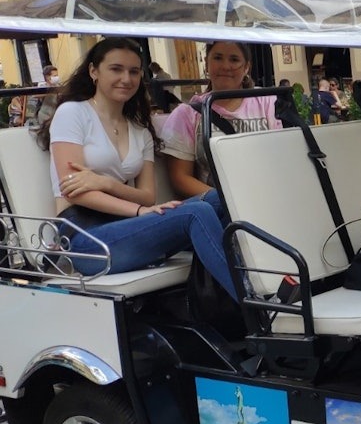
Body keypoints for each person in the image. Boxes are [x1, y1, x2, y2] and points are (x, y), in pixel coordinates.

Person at [39, 37, 236, 299]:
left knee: (221, 198)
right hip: (85, 240)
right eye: (116, 69)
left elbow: (147, 195)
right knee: (195, 212)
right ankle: (258, 309)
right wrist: (141, 211)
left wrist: (107, 184)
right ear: (93, 71)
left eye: (134, 71)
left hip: (129, 227)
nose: (126, 78)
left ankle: (224, 302)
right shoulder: (73, 113)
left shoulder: (139, 129)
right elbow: (75, 190)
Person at [160, 41, 281, 199]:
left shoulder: (267, 101)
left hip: (270, 196)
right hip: (221, 208)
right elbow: (180, 179)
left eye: (234, 59)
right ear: (207, 63)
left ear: (246, 67)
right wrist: (230, 200)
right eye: (218, 58)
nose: (225, 66)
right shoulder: (187, 114)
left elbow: (281, 156)